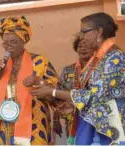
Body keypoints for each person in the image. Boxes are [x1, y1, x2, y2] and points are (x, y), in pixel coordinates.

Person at [31, 12, 125, 145]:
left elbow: (94, 96)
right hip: (95, 125)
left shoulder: (115, 58)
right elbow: (83, 92)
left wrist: (52, 92)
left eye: (84, 32)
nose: (82, 37)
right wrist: (43, 84)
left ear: (99, 32)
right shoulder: (97, 59)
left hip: (111, 128)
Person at [0, 16, 61, 145]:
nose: (8, 47)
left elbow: (57, 95)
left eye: (13, 42)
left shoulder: (40, 62)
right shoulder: (1, 65)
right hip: (5, 127)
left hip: (34, 127)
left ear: (23, 41)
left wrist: (39, 82)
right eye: (5, 43)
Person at [57, 36, 95, 143]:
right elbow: (58, 93)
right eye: (80, 46)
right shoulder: (68, 70)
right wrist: (56, 119)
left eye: (87, 46)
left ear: (95, 48)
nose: (83, 48)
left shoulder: (99, 69)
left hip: (94, 119)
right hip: (71, 120)